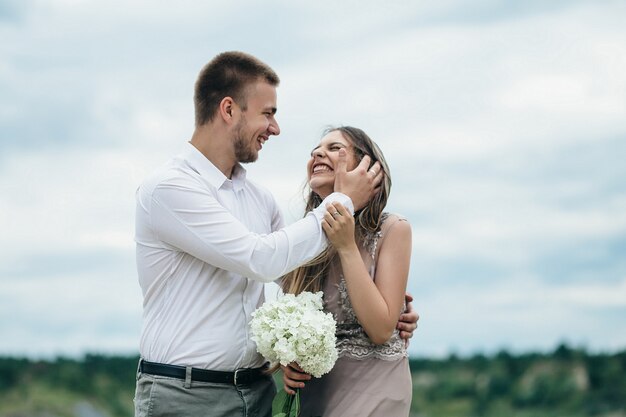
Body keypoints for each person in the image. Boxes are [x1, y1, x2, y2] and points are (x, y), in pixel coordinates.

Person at [133, 51, 418, 417]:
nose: (275, 128)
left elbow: (293, 281)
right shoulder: (170, 189)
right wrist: (344, 200)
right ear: (229, 110)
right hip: (188, 394)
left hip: (257, 393)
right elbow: (262, 259)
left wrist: (392, 309)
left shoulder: (259, 199)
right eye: (268, 114)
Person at [281, 126, 413, 416]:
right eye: (315, 149)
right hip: (317, 394)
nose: (318, 153)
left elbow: (380, 329)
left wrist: (346, 245)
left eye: (334, 147)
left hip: (376, 389)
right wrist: (286, 362)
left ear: (366, 167)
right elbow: (284, 321)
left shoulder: (393, 229)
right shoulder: (302, 238)